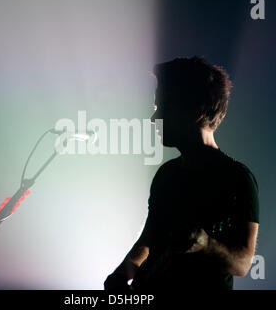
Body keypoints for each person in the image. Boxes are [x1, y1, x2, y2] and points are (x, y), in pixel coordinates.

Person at [104, 57, 259, 291]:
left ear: (195, 110)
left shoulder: (237, 178)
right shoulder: (166, 174)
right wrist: (120, 274)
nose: (154, 119)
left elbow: (243, 264)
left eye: (163, 108)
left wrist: (206, 244)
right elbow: (149, 239)